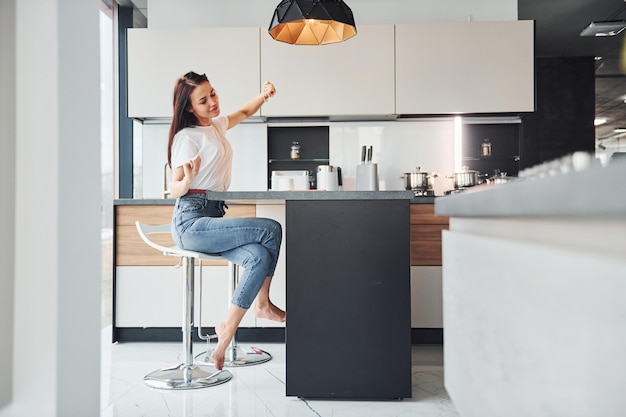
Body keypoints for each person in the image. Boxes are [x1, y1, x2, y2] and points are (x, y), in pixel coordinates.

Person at [167, 71, 285, 370]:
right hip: (191, 221)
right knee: (271, 229)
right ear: (190, 107)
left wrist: (264, 95)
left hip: (212, 217)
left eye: (213, 94)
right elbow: (174, 188)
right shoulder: (186, 137)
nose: (212, 102)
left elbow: (244, 111)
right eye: (203, 100)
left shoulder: (216, 127)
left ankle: (224, 336)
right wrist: (189, 178)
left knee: (258, 255)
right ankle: (261, 305)